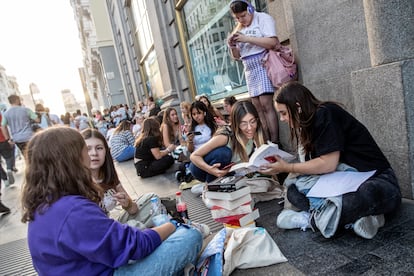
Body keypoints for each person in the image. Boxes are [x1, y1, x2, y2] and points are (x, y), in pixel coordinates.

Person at [21, 127, 202, 275]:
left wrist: (129, 206)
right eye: (85, 149)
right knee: (190, 236)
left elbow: (118, 231)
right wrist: (173, 225)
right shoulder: (72, 209)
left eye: (98, 148)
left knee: (148, 219)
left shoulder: (45, 204)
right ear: (71, 159)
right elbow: (134, 246)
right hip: (113, 268)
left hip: (101, 260)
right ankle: (176, 226)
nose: (91, 155)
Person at [259, 81, 402, 239]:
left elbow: (328, 164)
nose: (282, 119)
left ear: (298, 107)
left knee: (366, 194)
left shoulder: (326, 113)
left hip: (377, 179)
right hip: (340, 183)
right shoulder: (306, 127)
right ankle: (361, 218)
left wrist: (288, 167)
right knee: (293, 190)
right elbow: (316, 168)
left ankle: (310, 220)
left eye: (284, 113)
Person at [228, 0, 280, 143]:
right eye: (237, 18)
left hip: (262, 63)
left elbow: (273, 42)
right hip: (249, 68)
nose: (241, 20)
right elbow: (236, 56)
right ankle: (266, 142)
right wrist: (232, 45)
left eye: (243, 15)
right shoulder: (239, 27)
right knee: (256, 109)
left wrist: (247, 38)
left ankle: (275, 142)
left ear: (250, 10)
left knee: (266, 104)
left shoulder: (262, 18)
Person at [190, 100, 265, 183]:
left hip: (227, 170)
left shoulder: (256, 133)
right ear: (236, 123)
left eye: (252, 121)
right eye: (243, 123)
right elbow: (194, 156)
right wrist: (212, 170)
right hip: (201, 168)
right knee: (224, 153)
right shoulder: (226, 136)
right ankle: (210, 187)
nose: (250, 128)